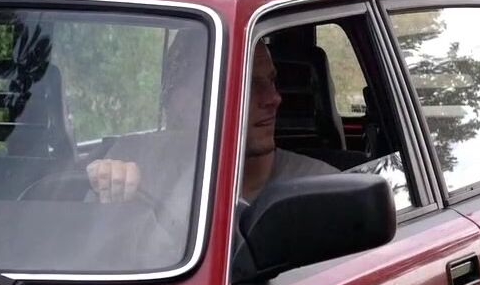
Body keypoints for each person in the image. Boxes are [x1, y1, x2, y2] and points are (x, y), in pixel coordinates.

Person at [87, 37, 338, 205]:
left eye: (271, 81)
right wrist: (109, 191)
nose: (274, 98)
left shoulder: (322, 189)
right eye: (249, 84)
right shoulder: (135, 165)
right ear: (186, 103)